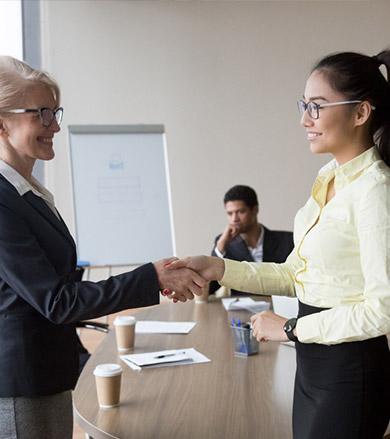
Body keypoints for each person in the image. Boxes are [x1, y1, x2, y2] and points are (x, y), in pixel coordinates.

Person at [168, 49, 390, 438]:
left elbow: (383, 309)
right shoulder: (328, 179)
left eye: (317, 106)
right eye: (304, 105)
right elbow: (297, 274)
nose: (304, 119)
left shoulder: (375, 191)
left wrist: (290, 327)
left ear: (360, 113)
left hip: (350, 372)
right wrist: (218, 267)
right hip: (314, 364)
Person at [0, 56, 205, 439]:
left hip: (47, 374)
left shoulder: (27, 193)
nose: (55, 125)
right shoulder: (2, 200)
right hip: (23, 385)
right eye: (41, 114)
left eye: (55, 112)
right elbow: (57, 301)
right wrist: (151, 276)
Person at [210, 184, 293, 295]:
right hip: (243, 311)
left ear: (255, 210)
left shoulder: (287, 241)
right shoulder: (224, 244)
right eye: (230, 213)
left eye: (240, 212)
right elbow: (210, 288)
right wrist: (220, 249)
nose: (234, 219)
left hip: (280, 309)